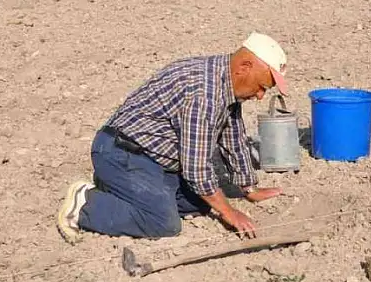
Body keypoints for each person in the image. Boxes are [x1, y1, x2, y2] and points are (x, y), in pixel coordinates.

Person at [57, 33, 290, 242]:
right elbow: (196, 170)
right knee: (164, 222)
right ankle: (85, 204)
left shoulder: (224, 81)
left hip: (151, 159)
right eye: (261, 86)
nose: (260, 96)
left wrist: (248, 188)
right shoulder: (203, 93)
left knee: (198, 202)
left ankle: (120, 189)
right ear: (244, 67)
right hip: (121, 152)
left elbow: (233, 134)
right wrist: (230, 213)